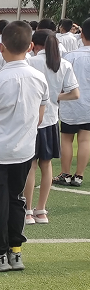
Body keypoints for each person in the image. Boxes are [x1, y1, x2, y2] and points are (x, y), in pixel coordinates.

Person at [0, 21, 48, 272]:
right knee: (17, 199)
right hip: (24, 151)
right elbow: (39, 117)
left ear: (1, 47)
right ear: (30, 46)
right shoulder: (39, 78)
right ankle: (15, 252)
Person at [25, 29, 79, 224]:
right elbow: (75, 93)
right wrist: (55, 97)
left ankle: (28, 211)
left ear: (34, 45)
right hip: (50, 120)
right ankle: (41, 211)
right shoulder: (63, 64)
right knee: (46, 165)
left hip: (31, 120)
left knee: (31, 165)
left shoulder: (30, 62)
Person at [55, 17, 90, 187]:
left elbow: (61, 80)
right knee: (85, 140)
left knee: (67, 139)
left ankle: (66, 174)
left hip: (70, 104)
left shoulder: (70, 57)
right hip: (88, 105)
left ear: (82, 34)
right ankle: (79, 176)